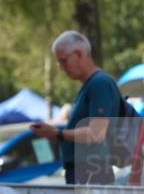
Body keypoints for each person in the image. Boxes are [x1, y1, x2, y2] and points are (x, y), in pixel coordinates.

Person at [31, 30, 122, 185]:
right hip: (85, 170)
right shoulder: (91, 84)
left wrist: (59, 134)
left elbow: (96, 133)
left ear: (79, 54)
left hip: (91, 171)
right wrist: (55, 133)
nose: (60, 67)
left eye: (63, 61)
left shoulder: (99, 83)